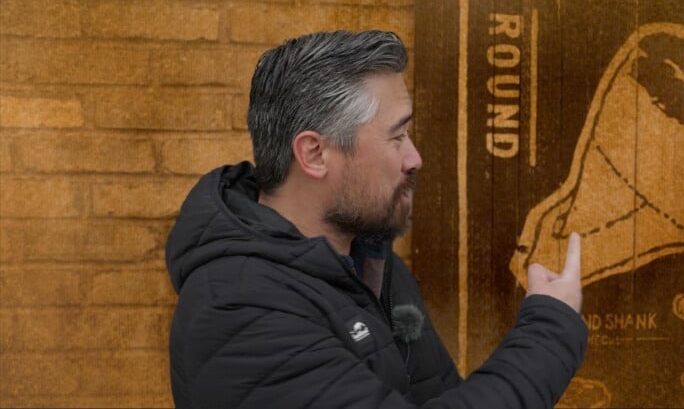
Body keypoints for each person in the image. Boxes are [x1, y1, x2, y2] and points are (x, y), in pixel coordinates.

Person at [166, 30, 588, 408]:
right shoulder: (238, 313)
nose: (414, 157)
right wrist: (549, 329)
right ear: (314, 154)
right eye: (396, 135)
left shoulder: (370, 261)